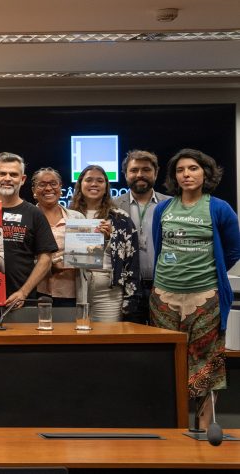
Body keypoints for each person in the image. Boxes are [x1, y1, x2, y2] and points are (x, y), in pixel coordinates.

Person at [152, 149, 240, 430]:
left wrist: (206, 275)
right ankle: (173, 424)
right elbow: (159, 246)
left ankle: (204, 424)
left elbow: (233, 248)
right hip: (164, 296)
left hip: (205, 296)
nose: (186, 174)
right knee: (167, 361)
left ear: (205, 173)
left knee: (206, 362)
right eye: (180, 170)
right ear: (174, 177)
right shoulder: (163, 209)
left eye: (193, 169)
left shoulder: (219, 208)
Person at [69, 164, 140, 322]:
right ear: (80, 184)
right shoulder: (68, 215)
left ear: (106, 186)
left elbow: (132, 260)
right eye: (89, 180)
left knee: (107, 340)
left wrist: (109, 238)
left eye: (100, 180)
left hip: (108, 292)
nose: (94, 184)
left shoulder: (121, 218)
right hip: (74, 290)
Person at [0, 153, 57, 308]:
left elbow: (46, 259)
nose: (7, 178)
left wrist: (23, 292)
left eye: (13, 174)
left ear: (22, 179)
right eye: (2, 174)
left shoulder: (35, 214)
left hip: (21, 302)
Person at [114, 150, 171, 323]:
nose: (140, 174)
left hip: (163, 287)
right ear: (125, 174)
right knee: (132, 343)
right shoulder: (112, 206)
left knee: (163, 341)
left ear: (156, 172)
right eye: (134, 170)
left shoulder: (171, 205)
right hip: (127, 290)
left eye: (146, 169)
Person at [31, 168, 83, 306]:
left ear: (60, 188)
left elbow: (87, 257)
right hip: (35, 292)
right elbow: (20, 258)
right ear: (34, 191)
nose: (48, 188)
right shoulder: (27, 218)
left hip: (71, 294)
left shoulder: (77, 218)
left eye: (53, 183)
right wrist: (48, 265)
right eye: (42, 184)